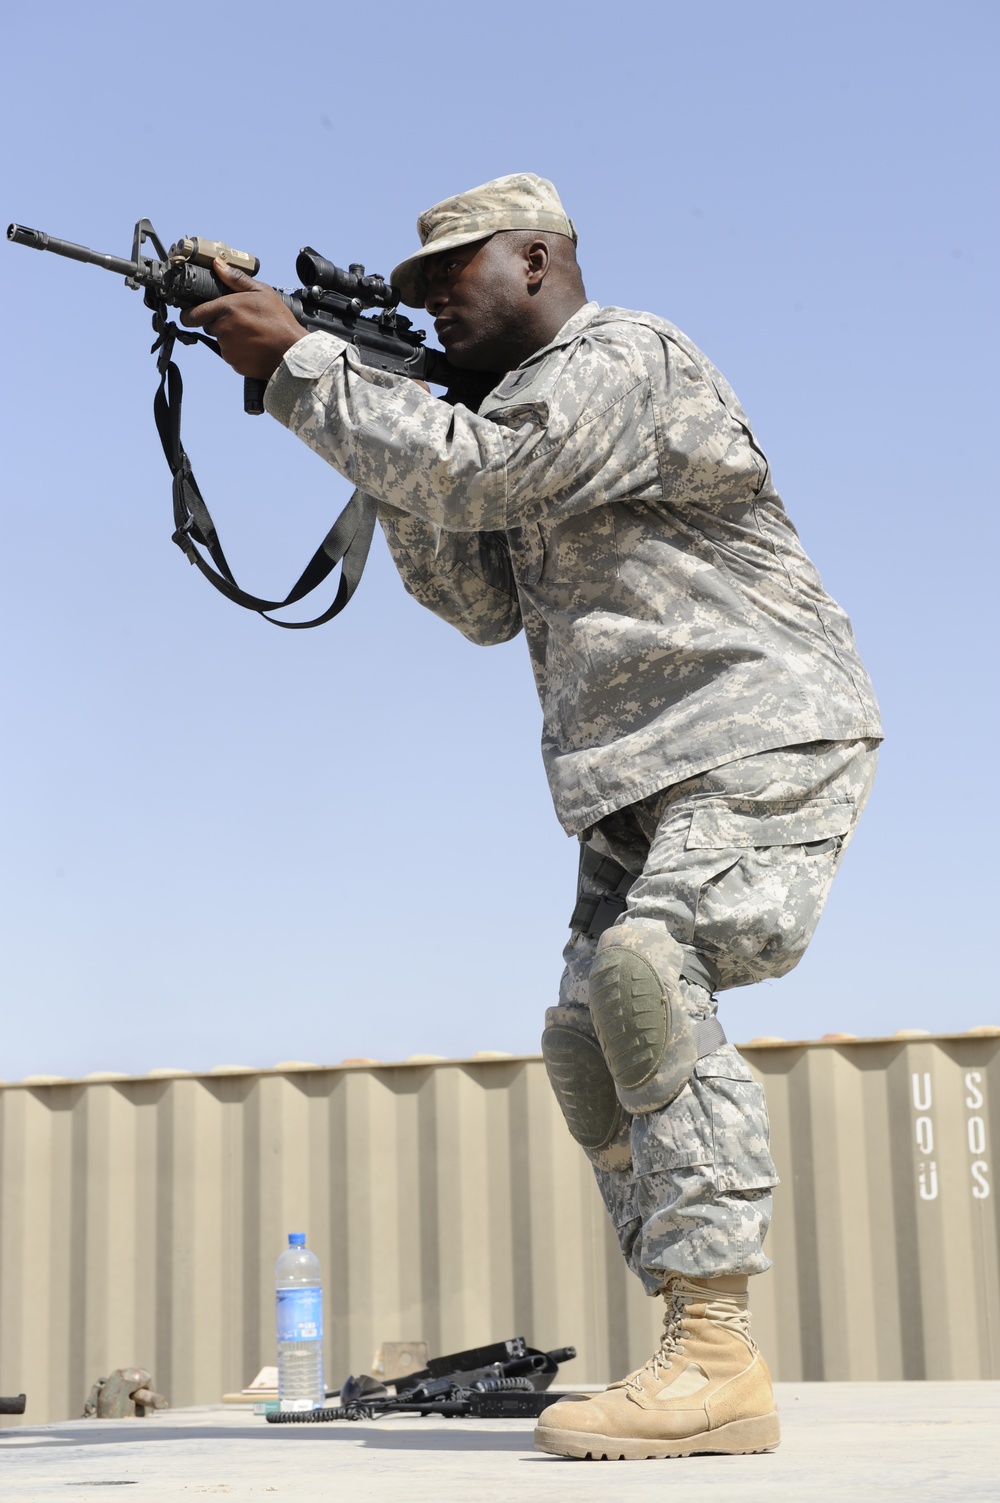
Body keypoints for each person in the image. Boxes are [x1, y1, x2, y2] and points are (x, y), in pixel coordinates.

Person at [181, 173, 881, 1461]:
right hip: (627, 778)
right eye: (420, 288)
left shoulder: (625, 358)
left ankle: (721, 1362)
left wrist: (312, 378)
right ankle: (690, 1340)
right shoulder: (491, 416)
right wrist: (361, 419)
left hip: (757, 726)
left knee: (646, 976)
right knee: (583, 1045)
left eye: (460, 271)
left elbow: (490, 472)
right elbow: (477, 597)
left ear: (543, 259)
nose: (438, 297)